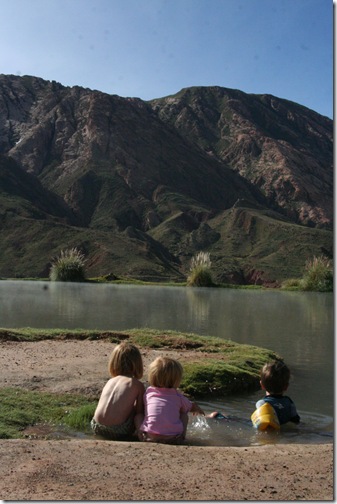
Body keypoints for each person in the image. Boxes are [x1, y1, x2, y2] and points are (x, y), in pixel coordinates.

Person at [138, 356, 205, 444]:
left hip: (150, 436)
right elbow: (191, 406)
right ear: (176, 380)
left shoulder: (148, 393)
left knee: (140, 414)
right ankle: (182, 437)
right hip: (172, 437)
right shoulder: (177, 396)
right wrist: (198, 409)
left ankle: (139, 433)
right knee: (184, 414)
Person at [91, 341, 145, 440]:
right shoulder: (137, 384)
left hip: (96, 425)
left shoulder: (110, 381)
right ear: (137, 364)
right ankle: (139, 434)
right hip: (118, 431)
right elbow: (139, 413)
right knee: (139, 408)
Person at [254, 360, 300, 425]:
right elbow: (296, 421)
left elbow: (260, 422)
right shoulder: (289, 402)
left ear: (262, 385)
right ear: (286, 387)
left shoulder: (262, 403)